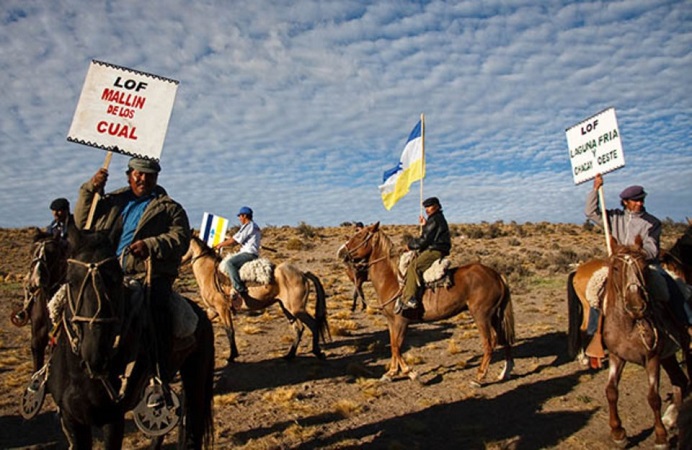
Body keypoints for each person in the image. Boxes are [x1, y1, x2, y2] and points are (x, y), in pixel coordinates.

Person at [74, 157, 191, 407]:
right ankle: (53, 368)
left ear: (156, 178)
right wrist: (90, 189)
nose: (143, 179)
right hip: (107, 272)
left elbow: (180, 239)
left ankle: (159, 378)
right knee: (69, 304)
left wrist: (150, 245)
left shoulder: (170, 208)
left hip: (148, 274)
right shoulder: (113, 200)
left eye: (149, 176)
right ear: (129, 175)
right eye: (139, 174)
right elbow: (82, 221)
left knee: (156, 309)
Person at [585, 173, 692, 332]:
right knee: (595, 288)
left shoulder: (652, 222)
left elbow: (652, 249)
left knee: (672, 286)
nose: (640, 203)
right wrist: (595, 189)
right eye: (635, 200)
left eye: (641, 200)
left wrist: (635, 256)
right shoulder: (615, 217)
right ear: (625, 202)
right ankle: (594, 334)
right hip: (619, 266)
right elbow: (590, 212)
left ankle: (686, 325)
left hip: (645, 266)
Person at [397, 197, 451, 312]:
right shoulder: (436, 218)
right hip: (437, 247)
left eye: (429, 206)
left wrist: (410, 246)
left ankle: (409, 298)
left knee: (413, 267)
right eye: (426, 207)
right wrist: (426, 225)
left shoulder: (435, 219)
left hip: (435, 250)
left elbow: (425, 240)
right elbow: (431, 234)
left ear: (436, 206)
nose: (427, 209)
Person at [215, 206, 261, 300]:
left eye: (240, 216)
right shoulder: (253, 226)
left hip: (249, 253)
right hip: (250, 252)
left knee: (230, 263)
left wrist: (220, 244)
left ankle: (239, 288)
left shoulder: (249, 226)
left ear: (244, 216)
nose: (239, 218)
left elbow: (235, 240)